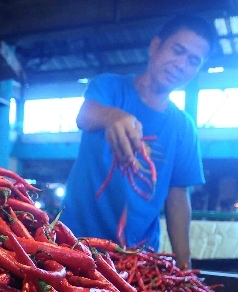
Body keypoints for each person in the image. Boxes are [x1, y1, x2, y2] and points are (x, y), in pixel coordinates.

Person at [62, 15, 216, 269]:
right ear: (156, 46)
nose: (181, 64)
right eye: (178, 50)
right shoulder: (110, 87)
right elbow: (85, 116)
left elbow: (178, 197)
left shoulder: (183, 127)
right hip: (73, 242)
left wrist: (185, 267)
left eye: (193, 61)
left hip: (136, 260)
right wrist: (112, 116)